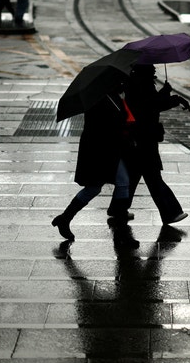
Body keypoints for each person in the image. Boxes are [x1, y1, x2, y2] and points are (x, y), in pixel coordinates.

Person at [52, 82, 137, 246]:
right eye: (119, 82)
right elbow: (106, 124)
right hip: (100, 151)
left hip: (107, 150)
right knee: (97, 187)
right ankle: (121, 235)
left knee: (120, 183)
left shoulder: (110, 96)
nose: (122, 84)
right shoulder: (100, 98)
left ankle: (65, 219)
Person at [113, 64, 189, 226]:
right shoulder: (142, 83)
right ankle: (171, 212)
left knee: (133, 175)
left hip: (137, 135)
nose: (155, 68)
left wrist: (164, 92)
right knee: (153, 175)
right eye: (151, 66)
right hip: (143, 135)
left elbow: (150, 102)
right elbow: (151, 105)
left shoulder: (137, 81)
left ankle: (118, 209)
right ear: (144, 68)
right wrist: (175, 99)